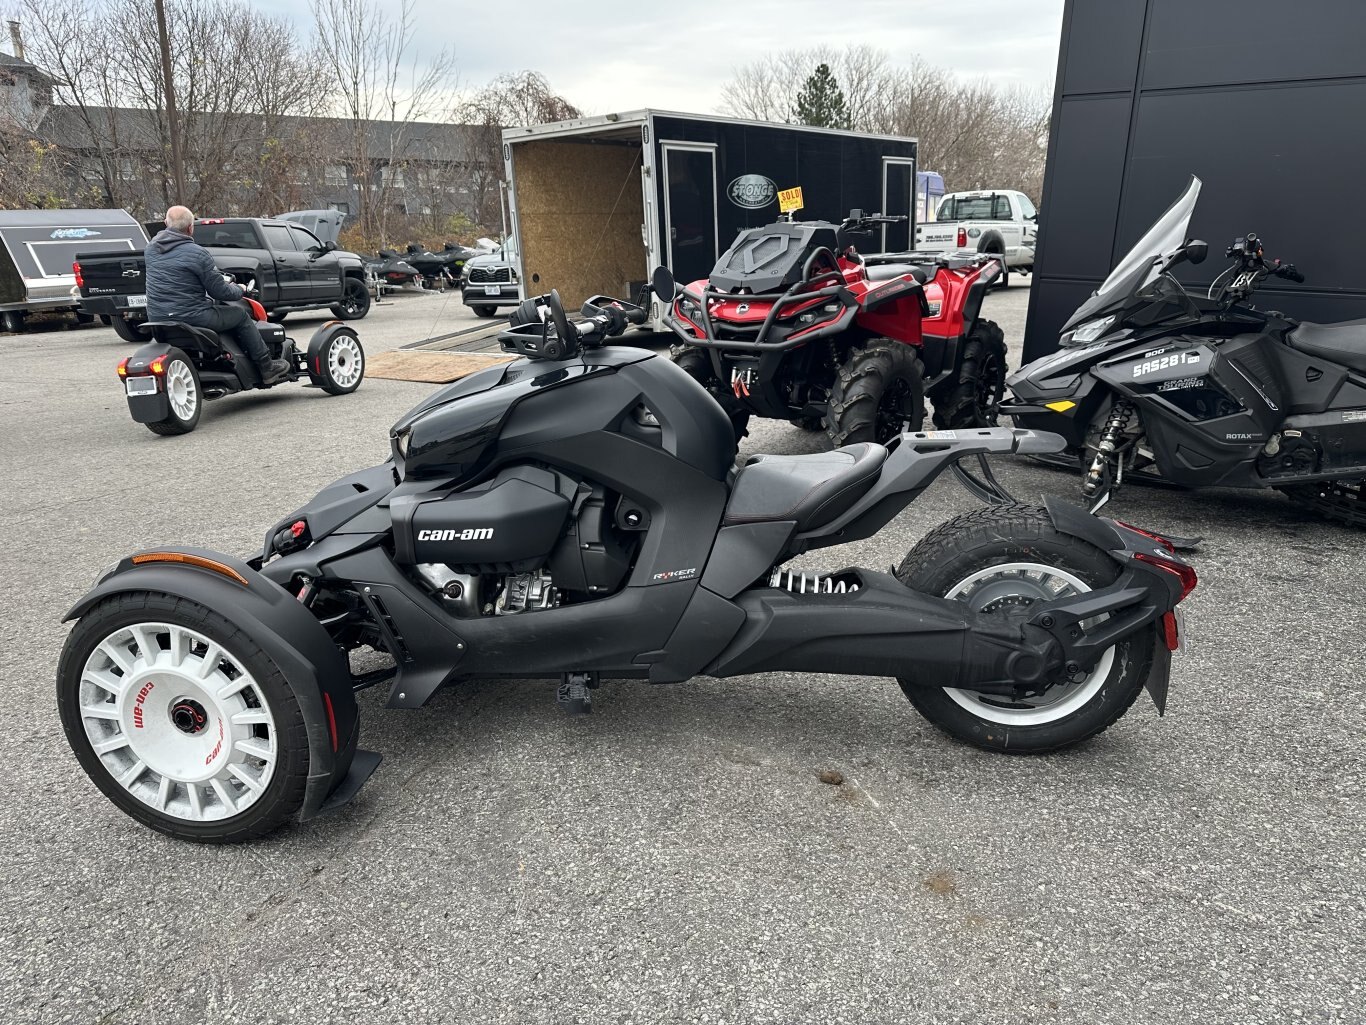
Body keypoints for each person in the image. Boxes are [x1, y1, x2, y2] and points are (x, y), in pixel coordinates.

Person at [144, 206, 289, 384]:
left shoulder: (151, 250)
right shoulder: (197, 253)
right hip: (191, 316)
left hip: (157, 317)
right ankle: (266, 367)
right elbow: (219, 292)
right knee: (240, 316)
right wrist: (240, 289)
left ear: (166, 223)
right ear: (191, 228)